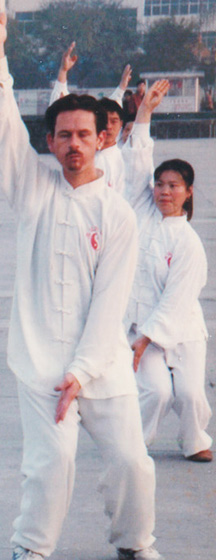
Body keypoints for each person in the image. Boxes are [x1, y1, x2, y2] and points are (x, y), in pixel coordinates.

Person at [0, 0, 162, 560]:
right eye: (64, 136)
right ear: (52, 141)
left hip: (101, 363)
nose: (74, 144)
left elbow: (111, 304)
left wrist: (82, 372)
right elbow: (3, 128)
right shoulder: (31, 186)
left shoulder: (117, 214)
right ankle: (31, 545)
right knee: (52, 459)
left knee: (132, 460)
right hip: (39, 360)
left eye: (84, 134)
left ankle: (134, 539)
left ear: (103, 137)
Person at [121, 82, 212, 463]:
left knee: (189, 395)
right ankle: (133, 446)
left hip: (180, 327)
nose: (164, 191)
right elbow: (137, 162)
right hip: (138, 323)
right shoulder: (141, 210)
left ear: (188, 192)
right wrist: (144, 113)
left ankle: (194, 440)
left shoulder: (188, 243)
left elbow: (177, 300)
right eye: (160, 184)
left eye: (173, 186)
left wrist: (148, 339)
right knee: (156, 392)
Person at [50, 46, 131, 194]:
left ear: (121, 124)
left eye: (114, 122)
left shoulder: (124, 159)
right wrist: (63, 72)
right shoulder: (82, 157)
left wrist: (122, 88)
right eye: (105, 121)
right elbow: (61, 111)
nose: (108, 126)